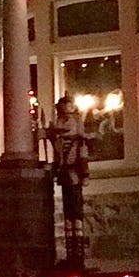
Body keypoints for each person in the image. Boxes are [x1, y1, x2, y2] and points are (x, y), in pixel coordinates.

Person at [50, 95, 89, 223]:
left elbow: (82, 157)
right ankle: (70, 227)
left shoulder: (78, 143)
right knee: (68, 203)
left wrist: (85, 174)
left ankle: (77, 230)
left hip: (75, 174)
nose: (66, 122)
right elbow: (57, 157)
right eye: (63, 118)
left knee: (76, 203)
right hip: (65, 174)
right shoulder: (59, 143)